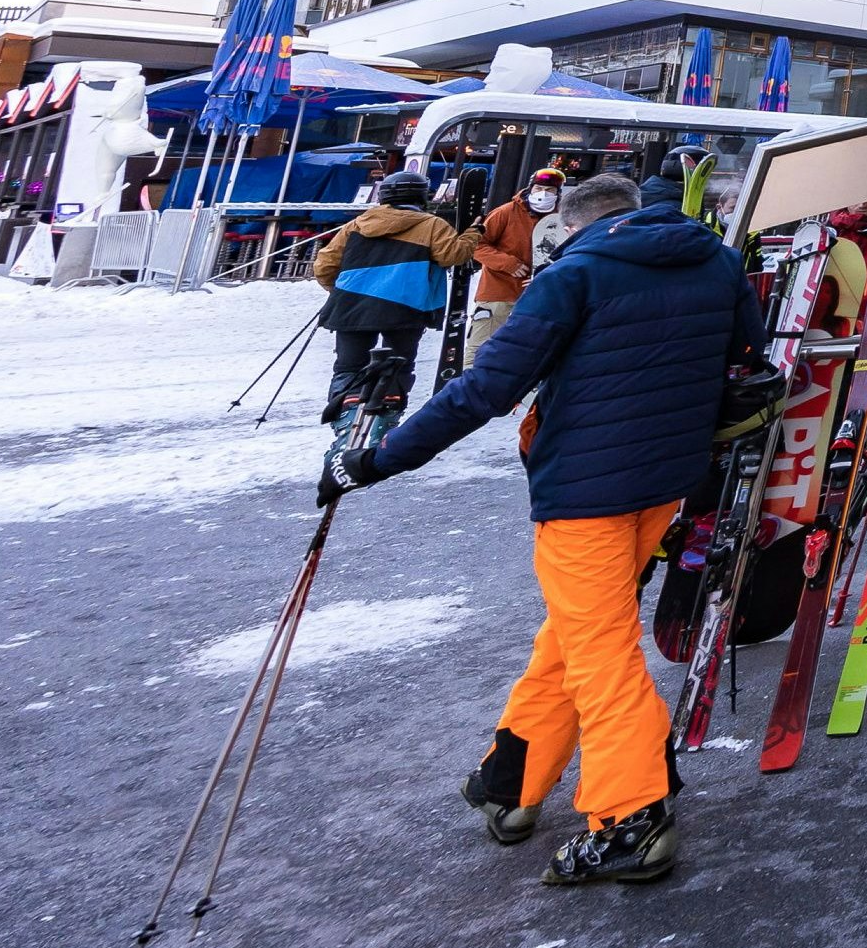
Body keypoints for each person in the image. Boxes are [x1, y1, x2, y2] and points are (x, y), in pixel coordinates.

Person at [319, 174, 766, 884]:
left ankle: (631, 817)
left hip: (586, 491)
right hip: (667, 482)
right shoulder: (715, 257)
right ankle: (514, 780)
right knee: (575, 632)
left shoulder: (576, 275)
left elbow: (483, 389)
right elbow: (749, 348)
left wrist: (374, 460)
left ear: (575, 225)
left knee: (599, 653)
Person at [311, 170, 480, 424]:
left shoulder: (356, 224)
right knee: (399, 363)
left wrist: (341, 292)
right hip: (406, 308)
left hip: (351, 306)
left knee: (348, 366)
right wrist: (474, 233)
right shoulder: (431, 224)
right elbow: (452, 255)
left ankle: (345, 419)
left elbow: (324, 265)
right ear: (422, 196)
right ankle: (386, 416)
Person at [466, 167, 563, 360]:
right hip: (499, 292)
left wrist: (547, 275)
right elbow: (474, 244)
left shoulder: (562, 217)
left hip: (540, 295)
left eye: (550, 190)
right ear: (530, 188)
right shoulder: (506, 212)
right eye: (538, 188)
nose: (543, 194)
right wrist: (508, 263)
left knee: (529, 351)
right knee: (482, 348)